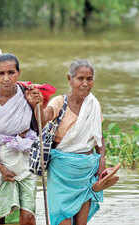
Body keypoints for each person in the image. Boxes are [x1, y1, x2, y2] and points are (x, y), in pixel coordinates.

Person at [41, 59, 119, 225]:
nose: (85, 83)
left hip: (86, 170)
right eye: (80, 78)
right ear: (70, 79)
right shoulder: (59, 102)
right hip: (61, 172)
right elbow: (42, 119)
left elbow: (99, 136)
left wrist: (102, 159)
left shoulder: (94, 104)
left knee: (81, 222)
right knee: (62, 218)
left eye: (89, 79)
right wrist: (37, 104)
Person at [0, 53, 42, 225]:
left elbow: (40, 126)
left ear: (18, 73)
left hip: (25, 161)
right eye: (1, 74)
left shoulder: (28, 95)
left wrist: (37, 105)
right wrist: (0, 168)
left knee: (28, 217)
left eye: (11, 73)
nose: (6, 78)